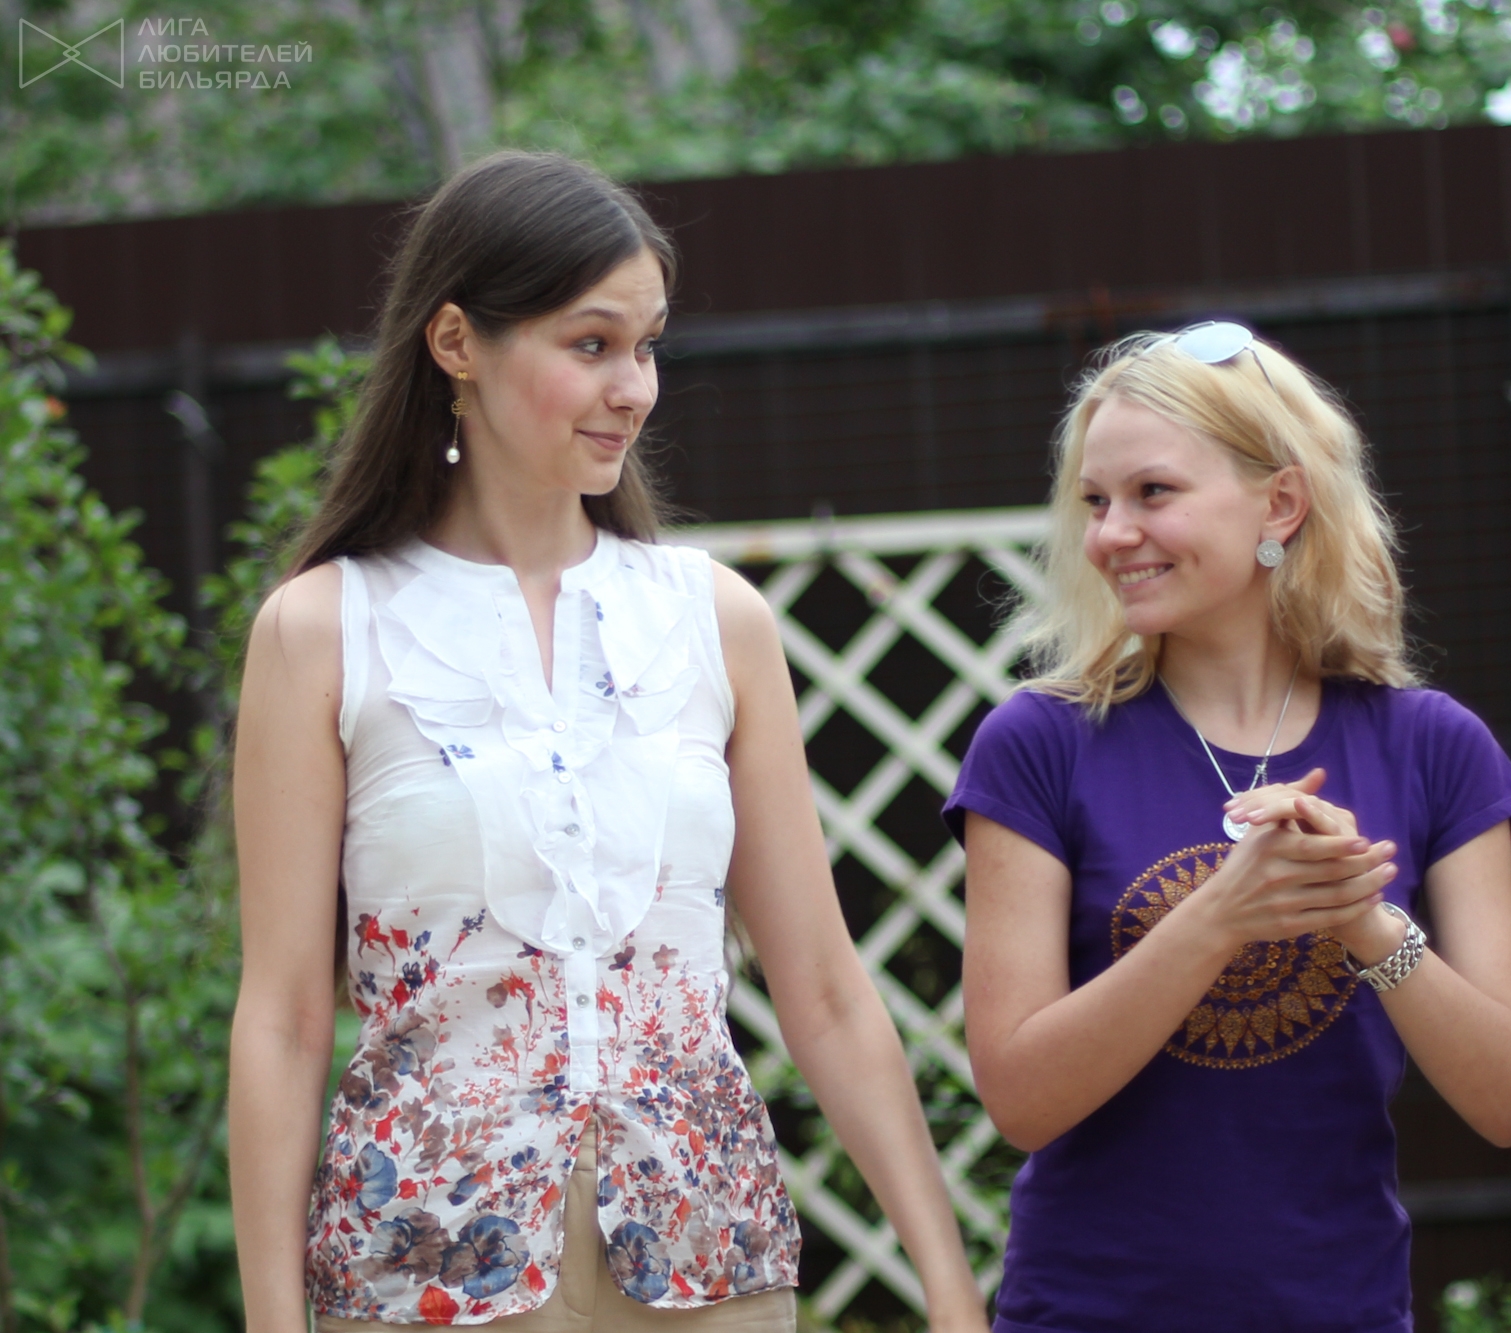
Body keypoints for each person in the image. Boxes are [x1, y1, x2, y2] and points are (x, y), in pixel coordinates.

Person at [228, 150, 989, 1332]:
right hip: (420, 1274)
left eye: (647, 346)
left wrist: (948, 1288)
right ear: (455, 342)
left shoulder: (716, 621)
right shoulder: (323, 630)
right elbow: (280, 1018)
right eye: (591, 344)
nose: (633, 388)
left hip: (708, 1266)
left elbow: (825, 990)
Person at [945, 322, 1511, 1333]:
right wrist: (1219, 916)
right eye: (1095, 502)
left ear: (1280, 503)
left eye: (1152, 492)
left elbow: (1509, 1099)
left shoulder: (1431, 745)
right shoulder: (1038, 743)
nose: (1111, 534)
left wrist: (1364, 921)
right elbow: (1020, 1098)